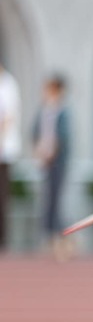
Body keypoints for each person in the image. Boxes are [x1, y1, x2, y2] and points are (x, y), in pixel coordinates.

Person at [32, 74, 72, 260]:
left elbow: (63, 138)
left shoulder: (62, 112)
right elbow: (34, 133)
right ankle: (48, 239)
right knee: (47, 199)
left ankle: (61, 240)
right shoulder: (43, 111)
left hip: (58, 162)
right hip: (45, 162)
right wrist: (39, 152)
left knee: (56, 199)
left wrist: (51, 153)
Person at [0, 63, 21, 253]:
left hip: (4, 151)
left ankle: (3, 240)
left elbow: (8, 117)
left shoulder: (8, 85)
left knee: (2, 196)